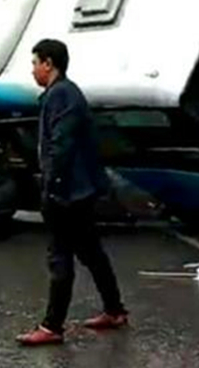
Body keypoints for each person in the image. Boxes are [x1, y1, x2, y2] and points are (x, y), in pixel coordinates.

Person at [16, 39, 128, 345]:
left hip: (68, 192)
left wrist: (51, 186)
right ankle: (114, 310)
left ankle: (52, 326)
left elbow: (60, 145)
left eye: (35, 63)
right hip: (78, 189)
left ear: (49, 63)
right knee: (91, 252)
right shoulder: (63, 93)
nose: (33, 70)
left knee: (60, 256)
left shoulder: (61, 94)